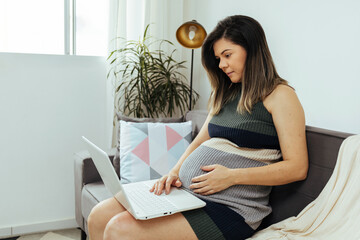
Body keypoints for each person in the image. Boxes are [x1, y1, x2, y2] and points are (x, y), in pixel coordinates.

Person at [87, 15, 308, 240]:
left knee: (119, 228)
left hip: (231, 209)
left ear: (251, 49)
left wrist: (232, 177)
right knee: (98, 216)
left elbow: (297, 167)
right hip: (188, 195)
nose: (222, 65)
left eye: (227, 55)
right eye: (218, 58)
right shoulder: (225, 93)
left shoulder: (280, 95)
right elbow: (199, 141)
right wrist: (173, 172)